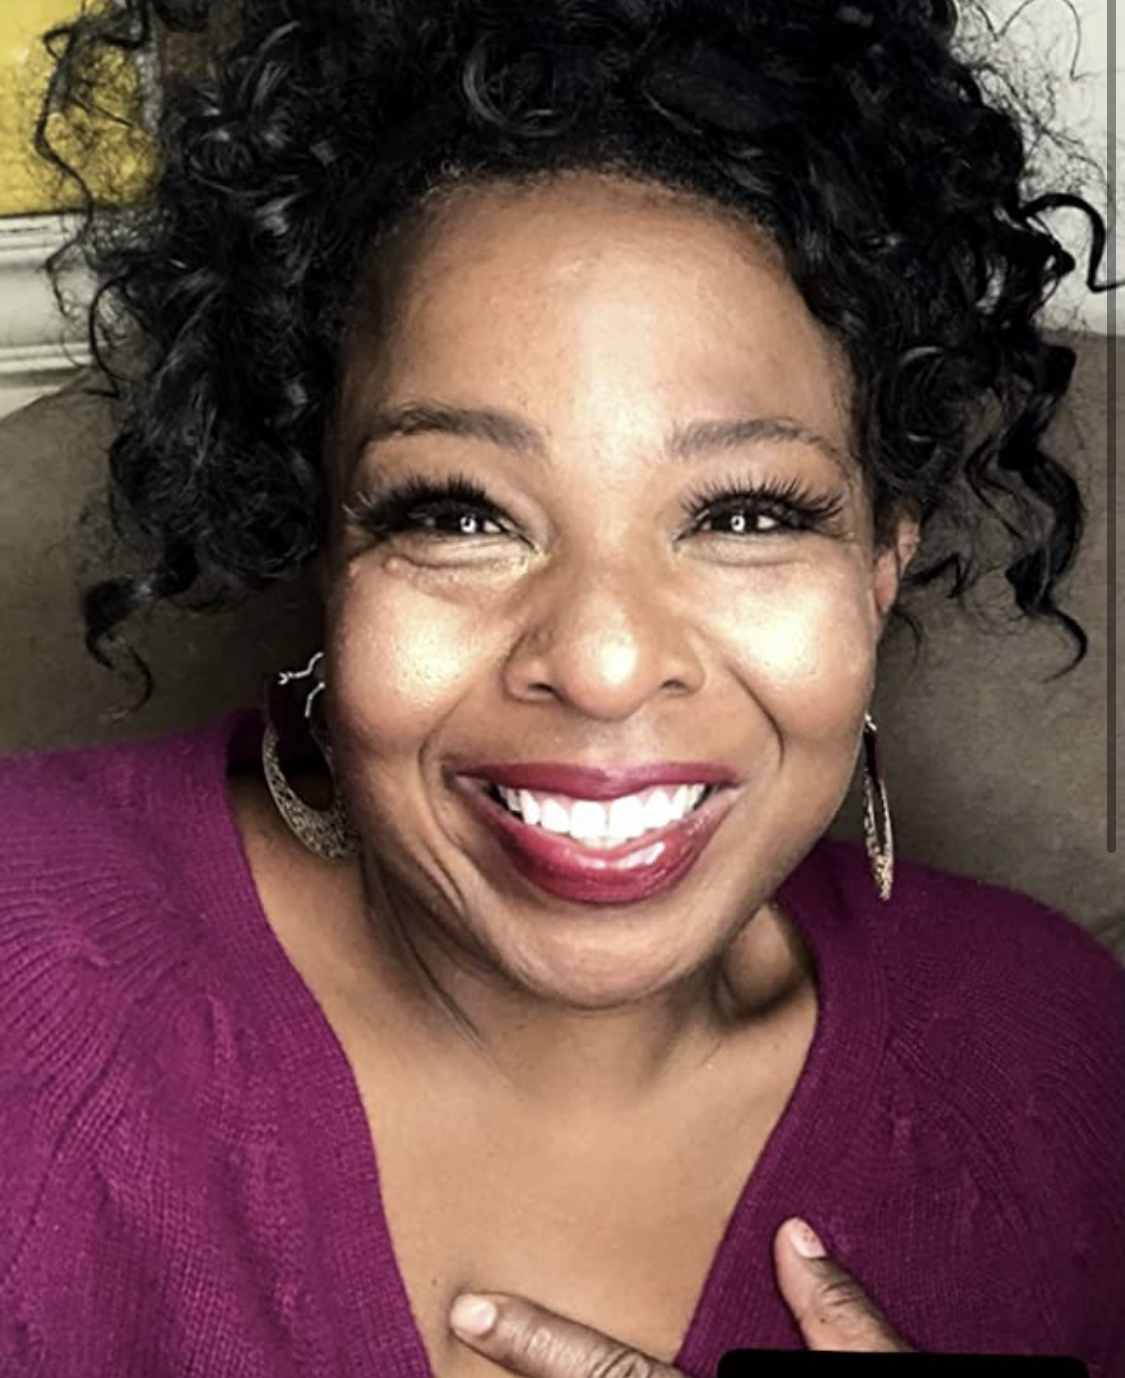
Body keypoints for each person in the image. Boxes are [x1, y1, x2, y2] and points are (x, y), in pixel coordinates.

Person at [2, 1, 1122, 1376]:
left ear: (881, 559)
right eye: (457, 513)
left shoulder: (1059, 1068)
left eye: (748, 515)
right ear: (326, 547)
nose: (600, 664)